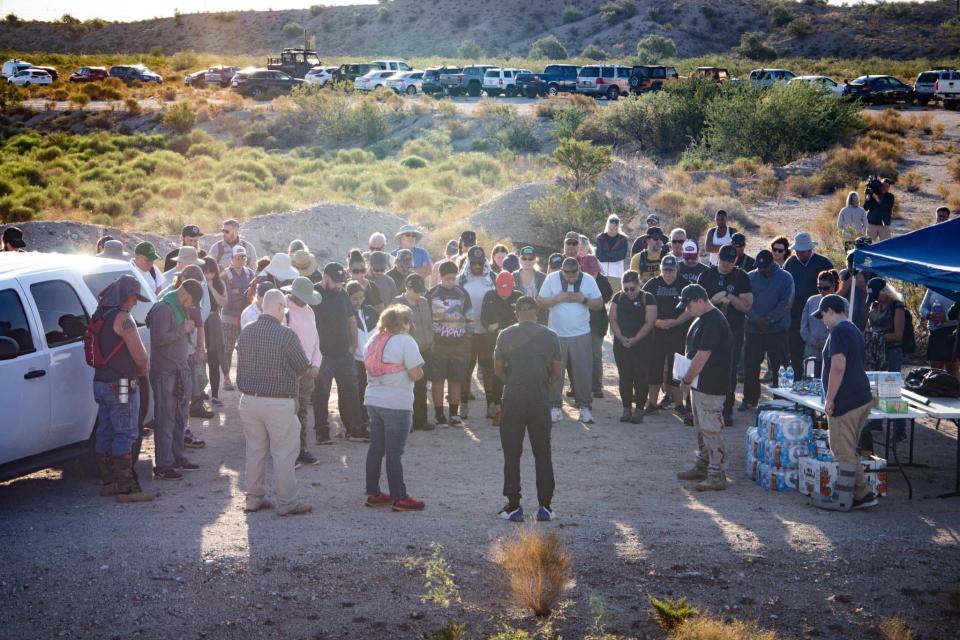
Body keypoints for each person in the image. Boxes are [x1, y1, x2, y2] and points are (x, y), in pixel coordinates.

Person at [236, 289, 316, 516]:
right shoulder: (286, 335)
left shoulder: (247, 331)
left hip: (249, 400)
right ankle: (287, 502)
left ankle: (254, 499)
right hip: (279, 402)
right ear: (280, 307)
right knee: (283, 453)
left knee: (255, 451)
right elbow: (303, 367)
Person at [494, 296, 562, 523]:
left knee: (512, 454)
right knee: (543, 453)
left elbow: (498, 369)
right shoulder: (550, 336)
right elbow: (556, 370)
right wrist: (543, 383)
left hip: (513, 398)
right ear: (536, 312)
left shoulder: (505, 335)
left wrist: (513, 382)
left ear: (517, 313)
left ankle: (514, 506)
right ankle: (545, 506)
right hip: (539, 399)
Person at [91, 274, 153, 502]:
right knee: (125, 430)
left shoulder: (99, 313)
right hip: (123, 383)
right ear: (126, 296)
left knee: (105, 429)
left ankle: (109, 482)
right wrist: (143, 366)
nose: (135, 302)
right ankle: (127, 487)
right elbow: (139, 354)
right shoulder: (123, 318)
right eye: (134, 297)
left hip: (100, 382)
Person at [816, 294, 878, 510]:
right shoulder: (852, 328)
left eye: (823, 315)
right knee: (848, 449)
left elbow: (838, 366)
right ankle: (863, 495)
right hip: (860, 397)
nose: (822, 321)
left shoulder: (839, 331)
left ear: (831, 311)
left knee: (842, 450)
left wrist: (830, 399)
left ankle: (842, 499)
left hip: (846, 400)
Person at [363, 304, 427, 512]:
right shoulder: (405, 341)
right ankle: (400, 497)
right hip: (397, 402)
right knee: (394, 452)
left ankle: (373, 493)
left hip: (373, 399)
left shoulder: (373, 340)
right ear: (404, 323)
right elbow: (416, 374)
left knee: (376, 448)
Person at [674, 284, 733, 491]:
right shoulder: (703, 318)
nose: (687, 310)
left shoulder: (714, 321)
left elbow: (702, 356)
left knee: (711, 429)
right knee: (702, 428)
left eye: (689, 305)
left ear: (700, 300)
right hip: (701, 384)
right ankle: (704, 465)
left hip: (711, 384)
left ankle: (717, 474)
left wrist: (687, 379)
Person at [146, 279, 203, 481]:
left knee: (180, 417)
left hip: (179, 370)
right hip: (165, 372)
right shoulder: (163, 307)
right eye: (193, 303)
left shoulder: (179, 307)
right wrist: (183, 329)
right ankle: (163, 464)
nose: (193, 308)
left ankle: (177, 457)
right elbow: (158, 339)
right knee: (165, 419)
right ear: (185, 294)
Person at [538, 257, 603, 424]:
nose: (571, 278)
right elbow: (540, 301)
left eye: (574, 275)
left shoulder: (588, 280)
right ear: (562, 271)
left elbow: (599, 304)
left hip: (581, 333)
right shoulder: (551, 278)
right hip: (556, 334)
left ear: (579, 270)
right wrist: (557, 299)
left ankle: (584, 407)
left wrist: (583, 300)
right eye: (567, 275)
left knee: (583, 371)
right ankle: (555, 406)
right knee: (555, 371)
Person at [697, 245, 754, 425]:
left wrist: (729, 295)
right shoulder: (706, 275)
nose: (727, 263)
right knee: (704, 366)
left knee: (729, 370)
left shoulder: (741, 277)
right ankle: (701, 408)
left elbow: (746, 306)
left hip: (733, 330)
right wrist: (713, 301)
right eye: (724, 259)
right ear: (718, 257)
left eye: (731, 260)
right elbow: (696, 305)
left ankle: (726, 410)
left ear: (735, 260)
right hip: (708, 329)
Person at [312, 262, 367, 444]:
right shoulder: (314, 295)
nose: (338, 285)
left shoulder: (342, 293)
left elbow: (351, 320)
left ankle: (354, 429)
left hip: (344, 353)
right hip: (323, 354)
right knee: (321, 393)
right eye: (335, 282)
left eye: (341, 282)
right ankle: (322, 431)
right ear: (325, 277)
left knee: (351, 391)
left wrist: (352, 346)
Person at [742, 250, 794, 410]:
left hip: (777, 330)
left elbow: (786, 303)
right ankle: (750, 399)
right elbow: (744, 301)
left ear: (772, 263)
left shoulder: (785, 277)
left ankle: (781, 399)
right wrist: (755, 318)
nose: (762, 270)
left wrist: (769, 319)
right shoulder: (750, 277)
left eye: (765, 267)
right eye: (760, 267)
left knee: (781, 367)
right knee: (751, 366)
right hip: (753, 329)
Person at [642, 255, 690, 420]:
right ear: (660, 269)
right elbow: (643, 305)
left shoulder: (684, 285)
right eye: (665, 270)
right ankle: (652, 403)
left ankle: (679, 405)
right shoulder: (653, 284)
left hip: (678, 334)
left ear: (677, 269)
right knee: (654, 369)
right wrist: (656, 322)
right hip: (656, 334)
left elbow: (691, 308)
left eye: (671, 270)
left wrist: (676, 322)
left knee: (676, 371)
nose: (668, 274)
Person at [283, 277, 323, 467]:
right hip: (290, 370)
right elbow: (283, 344)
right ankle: (289, 451)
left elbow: (316, 341)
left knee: (303, 410)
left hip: (308, 370)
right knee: (289, 411)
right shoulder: (284, 311)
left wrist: (315, 364)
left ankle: (301, 448)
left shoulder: (310, 311)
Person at [426, 260, 472, 426]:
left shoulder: (462, 293)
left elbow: (470, 316)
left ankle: (454, 414)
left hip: (458, 344)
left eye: (453, 278)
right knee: (437, 380)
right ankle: (439, 413)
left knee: (455, 380)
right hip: (438, 345)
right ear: (440, 276)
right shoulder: (431, 294)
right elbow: (426, 318)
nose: (450, 282)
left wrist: (467, 338)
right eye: (447, 279)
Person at [609, 270, 657, 423]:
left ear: (639, 284)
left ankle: (639, 410)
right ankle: (626, 409)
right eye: (626, 289)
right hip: (622, 342)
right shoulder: (618, 297)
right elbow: (613, 319)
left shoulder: (647, 297)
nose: (629, 292)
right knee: (625, 377)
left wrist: (635, 339)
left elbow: (650, 322)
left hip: (642, 343)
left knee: (641, 377)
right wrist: (621, 337)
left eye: (632, 288)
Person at [784, 232, 834, 375]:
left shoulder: (823, 263)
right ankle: (797, 381)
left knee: (819, 354)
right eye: (797, 250)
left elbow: (834, 285)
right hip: (795, 314)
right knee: (795, 351)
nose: (799, 253)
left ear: (810, 249)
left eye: (802, 251)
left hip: (818, 316)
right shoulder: (790, 263)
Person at [458, 246, 497, 419]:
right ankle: (463, 404)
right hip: (468, 332)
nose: (477, 266)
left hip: (487, 332)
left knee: (488, 368)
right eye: (474, 263)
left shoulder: (493, 278)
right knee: (466, 368)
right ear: (469, 262)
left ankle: (490, 404)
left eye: (480, 263)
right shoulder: (461, 280)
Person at [392, 274, 434, 431]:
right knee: (405, 388)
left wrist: (431, 341)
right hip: (405, 353)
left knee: (421, 386)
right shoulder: (397, 304)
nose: (419, 294)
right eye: (416, 291)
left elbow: (429, 323)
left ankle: (420, 420)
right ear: (407, 288)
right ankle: (405, 422)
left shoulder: (423, 302)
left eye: (421, 290)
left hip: (424, 350)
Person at [481, 270, 524, 425]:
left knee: (515, 373)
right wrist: (493, 326)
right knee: (496, 373)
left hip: (516, 342)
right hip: (494, 342)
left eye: (507, 290)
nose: (504, 294)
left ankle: (516, 407)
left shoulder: (519, 297)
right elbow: (484, 319)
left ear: (513, 285)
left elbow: (522, 319)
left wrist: (501, 325)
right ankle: (495, 405)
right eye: (501, 290)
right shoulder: (489, 296)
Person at [221, 246, 255, 390]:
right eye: (238, 258)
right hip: (229, 318)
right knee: (227, 350)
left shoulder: (250, 273)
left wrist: (240, 293)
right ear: (232, 259)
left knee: (245, 350)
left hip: (246, 318)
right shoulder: (225, 274)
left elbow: (253, 293)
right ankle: (226, 379)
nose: (241, 260)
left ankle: (243, 380)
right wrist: (242, 294)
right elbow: (226, 298)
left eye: (243, 257)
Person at [800, 270, 845, 377]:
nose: (822, 291)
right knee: (808, 384)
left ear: (833, 286)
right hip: (811, 354)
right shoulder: (811, 301)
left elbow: (844, 328)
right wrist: (813, 342)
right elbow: (803, 328)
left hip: (831, 354)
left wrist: (825, 343)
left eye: (826, 288)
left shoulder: (842, 303)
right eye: (819, 288)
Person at [348, 281, 380, 428]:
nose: (358, 301)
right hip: (357, 359)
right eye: (355, 298)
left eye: (361, 298)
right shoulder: (347, 313)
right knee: (360, 388)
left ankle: (373, 415)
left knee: (373, 387)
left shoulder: (370, 311)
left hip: (373, 359)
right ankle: (361, 417)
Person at [582, 255, 613, 399]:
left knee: (596, 355)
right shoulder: (579, 279)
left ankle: (597, 385)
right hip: (581, 322)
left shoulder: (602, 280)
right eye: (590, 270)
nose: (593, 272)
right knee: (580, 355)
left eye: (595, 270)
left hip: (597, 322)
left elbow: (607, 296)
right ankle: (578, 385)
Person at [201, 257, 228, 408]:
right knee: (200, 358)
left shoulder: (219, 283)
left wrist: (211, 288)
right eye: (205, 272)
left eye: (211, 272)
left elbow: (223, 303)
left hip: (213, 321)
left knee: (214, 358)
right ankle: (200, 392)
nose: (208, 275)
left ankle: (215, 394)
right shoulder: (198, 282)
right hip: (200, 321)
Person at [920, 288, 959, 378]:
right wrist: (929, 315)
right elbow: (922, 308)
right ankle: (937, 391)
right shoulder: (933, 286)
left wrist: (946, 317)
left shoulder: (956, 284)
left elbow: (957, 311)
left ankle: (955, 391)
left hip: (952, 332)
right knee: (935, 370)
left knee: (952, 369)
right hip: (935, 332)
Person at [595, 214, 629, 284]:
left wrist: (606, 254)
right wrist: (613, 255)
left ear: (618, 227)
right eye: (611, 229)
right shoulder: (600, 238)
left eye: (616, 229)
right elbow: (599, 256)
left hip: (617, 275)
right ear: (607, 226)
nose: (613, 231)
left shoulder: (623, 239)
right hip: (602, 274)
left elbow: (622, 256)